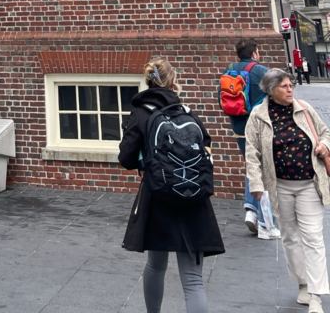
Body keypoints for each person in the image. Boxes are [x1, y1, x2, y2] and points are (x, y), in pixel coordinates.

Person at [120, 56, 224, 313]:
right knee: (193, 280)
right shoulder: (186, 112)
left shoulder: (141, 114)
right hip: (193, 196)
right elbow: (206, 146)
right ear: (173, 81)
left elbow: (126, 158)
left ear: (148, 82)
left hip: (157, 197)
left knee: (156, 265)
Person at [246, 69, 330, 313]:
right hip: (280, 185)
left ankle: (316, 296)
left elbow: (325, 132)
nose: (290, 89)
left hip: (309, 185)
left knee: (313, 237)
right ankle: (303, 284)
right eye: (284, 86)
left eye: (290, 84)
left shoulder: (304, 108)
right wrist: (257, 185)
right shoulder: (258, 116)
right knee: (291, 238)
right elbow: (252, 154)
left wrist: (324, 145)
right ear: (271, 90)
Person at [220, 37, 272, 237]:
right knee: (266, 170)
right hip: (260, 128)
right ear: (254, 54)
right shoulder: (261, 71)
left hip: (239, 127)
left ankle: (251, 211)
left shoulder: (229, 70)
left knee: (252, 165)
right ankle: (264, 218)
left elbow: (221, 99)